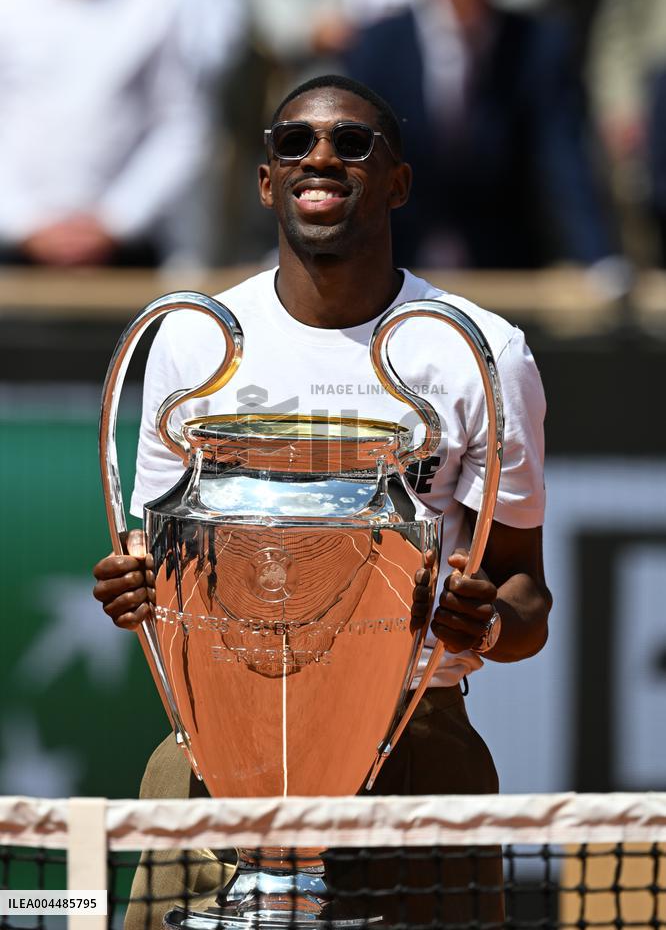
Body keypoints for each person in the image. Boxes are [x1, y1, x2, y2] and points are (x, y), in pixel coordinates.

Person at [93, 74, 551, 927]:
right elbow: (154, 567)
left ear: (399, 182)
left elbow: (528, 599)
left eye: (352, 142)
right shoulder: (193, 339)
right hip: (217, 756)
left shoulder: (482, 352)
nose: (322, 158)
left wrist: (481, 623)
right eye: (294, 142)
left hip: (416, 747)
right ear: (267, 181)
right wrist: (135, 590)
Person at [342, 0, 616, 271]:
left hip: (503, 249)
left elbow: (562, 152)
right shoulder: (378, 44)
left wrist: (597, 257)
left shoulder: (534, 44)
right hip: (396, 243)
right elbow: (354, 149)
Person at [0, 0, 205, 269]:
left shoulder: (146, 2)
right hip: (16, 249)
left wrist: (117, 219)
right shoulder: (9, 3)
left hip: (123, 251)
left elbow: (181, 124)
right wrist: (24, 222)